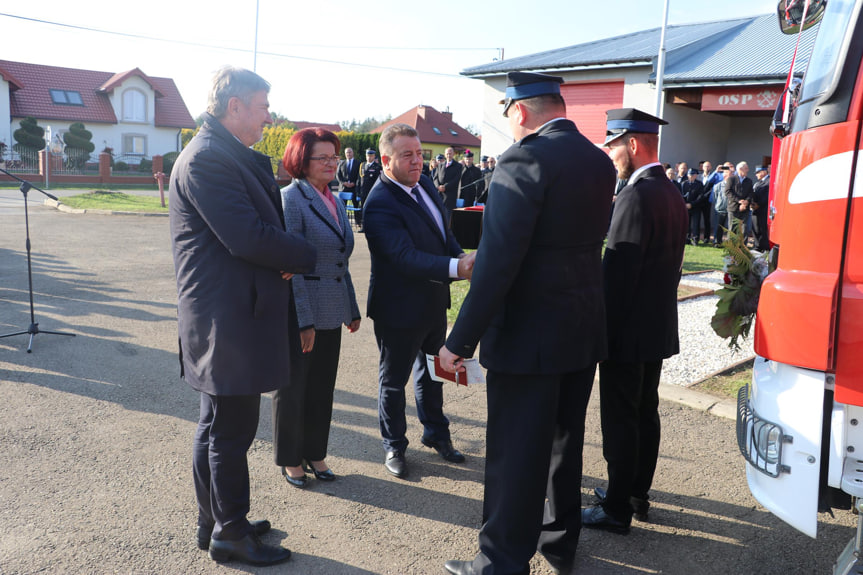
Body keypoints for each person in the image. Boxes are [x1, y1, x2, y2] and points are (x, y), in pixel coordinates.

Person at [439, 71, 616, 575]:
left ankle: (499, 563)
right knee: (564, 444)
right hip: (581, 328)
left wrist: (459, 340)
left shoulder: (525, 158)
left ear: (519, 111)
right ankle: (560, 544)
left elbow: (498, 263)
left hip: (529, 333)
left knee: (515, 453)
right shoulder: (597, 160)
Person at [169, 66, 316, 566]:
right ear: (234, 106)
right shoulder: (209, 159)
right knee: (229, 431)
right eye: (262, 106)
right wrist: (302, 253)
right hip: (227, 320)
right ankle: (229, 532)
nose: (268, 116)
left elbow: (245, 236)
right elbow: (248, 236)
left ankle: (215, 520)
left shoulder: (221, 153)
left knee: (216, 426)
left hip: (231, 314)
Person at [581, 108, 688, 535]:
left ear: (633, 144)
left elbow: (617, 277)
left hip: (626, 332)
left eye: (613, 147)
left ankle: (617, 507)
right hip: (655, 326)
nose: (611, 157)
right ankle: (638, 494)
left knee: (621, 420)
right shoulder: (671, 192)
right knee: (645, 413)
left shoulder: (635, 195)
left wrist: (598, 332)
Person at [363, 123, 475, 480]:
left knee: (433, 372)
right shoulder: (379, 203)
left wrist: (459, 255)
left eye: (420, 154)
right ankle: (394, 444)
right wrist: (458, 267)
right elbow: (404, 257)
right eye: (407, 155)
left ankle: (436, 432)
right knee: (394, 381)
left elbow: (444, 233)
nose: (417, 162)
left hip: (432, 302)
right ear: (386, 160)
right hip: (398, 309)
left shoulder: (423, 183)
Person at [274, 128, 362, 489]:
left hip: (332, 309)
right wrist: (303, 321)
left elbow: (339, 260)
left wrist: (352, 307)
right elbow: (290, 266)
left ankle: (315, 453)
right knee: (294, 388)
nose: (331, 164)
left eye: (334, 157)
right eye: (322, 158)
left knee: (323, 387)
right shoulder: (290, 199)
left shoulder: (336, 199)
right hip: (302, 311)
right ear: (301, 161)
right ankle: (291, 459)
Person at [434, 146, 463, 220]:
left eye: (450, 153)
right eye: (447, 154)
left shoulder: (458, 166)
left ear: (453, 154)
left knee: (447, 218)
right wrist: (438, 186)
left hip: (450, 196)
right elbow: (435, 178)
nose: (448, 155)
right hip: (439, 194)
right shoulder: (440, 165)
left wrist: (445, 187)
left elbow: (456, 179)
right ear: (445, 154)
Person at [357, 148, 382, 231]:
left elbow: (378, 181)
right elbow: (359, 179)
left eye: (371, 156)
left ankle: (374, 226)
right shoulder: (362, 165)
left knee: (372, 210)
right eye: (367, 155)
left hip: (372, 192)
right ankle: (364, 227)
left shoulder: (377, 167)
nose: (369, 157)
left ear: (374, 156)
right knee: (363, 209)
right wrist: (357, 191)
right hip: (363, 192)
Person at [682, 168, 708, 245]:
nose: (691, 176)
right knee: (687, 223)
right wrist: (686, 204)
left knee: (696, 223)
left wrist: (692, 204)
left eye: (692, 175)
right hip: (686, 207)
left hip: (696, 206)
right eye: (689, 175)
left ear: (695, 176)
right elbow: (682, 195)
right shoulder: (684, 184)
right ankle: (687, 238)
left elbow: (700, 196)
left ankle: (695, 239)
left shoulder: (699, 184)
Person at [751, 165, 770, 251]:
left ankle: (763, 247)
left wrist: (759, 204)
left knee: (762, 229)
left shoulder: (769, 181)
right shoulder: (758, 183)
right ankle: (757, 245)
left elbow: (767, 196)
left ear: (763, 172)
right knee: (755, 228)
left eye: (757, 173)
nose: (756, 175)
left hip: (763, 209)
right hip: (756, 209)